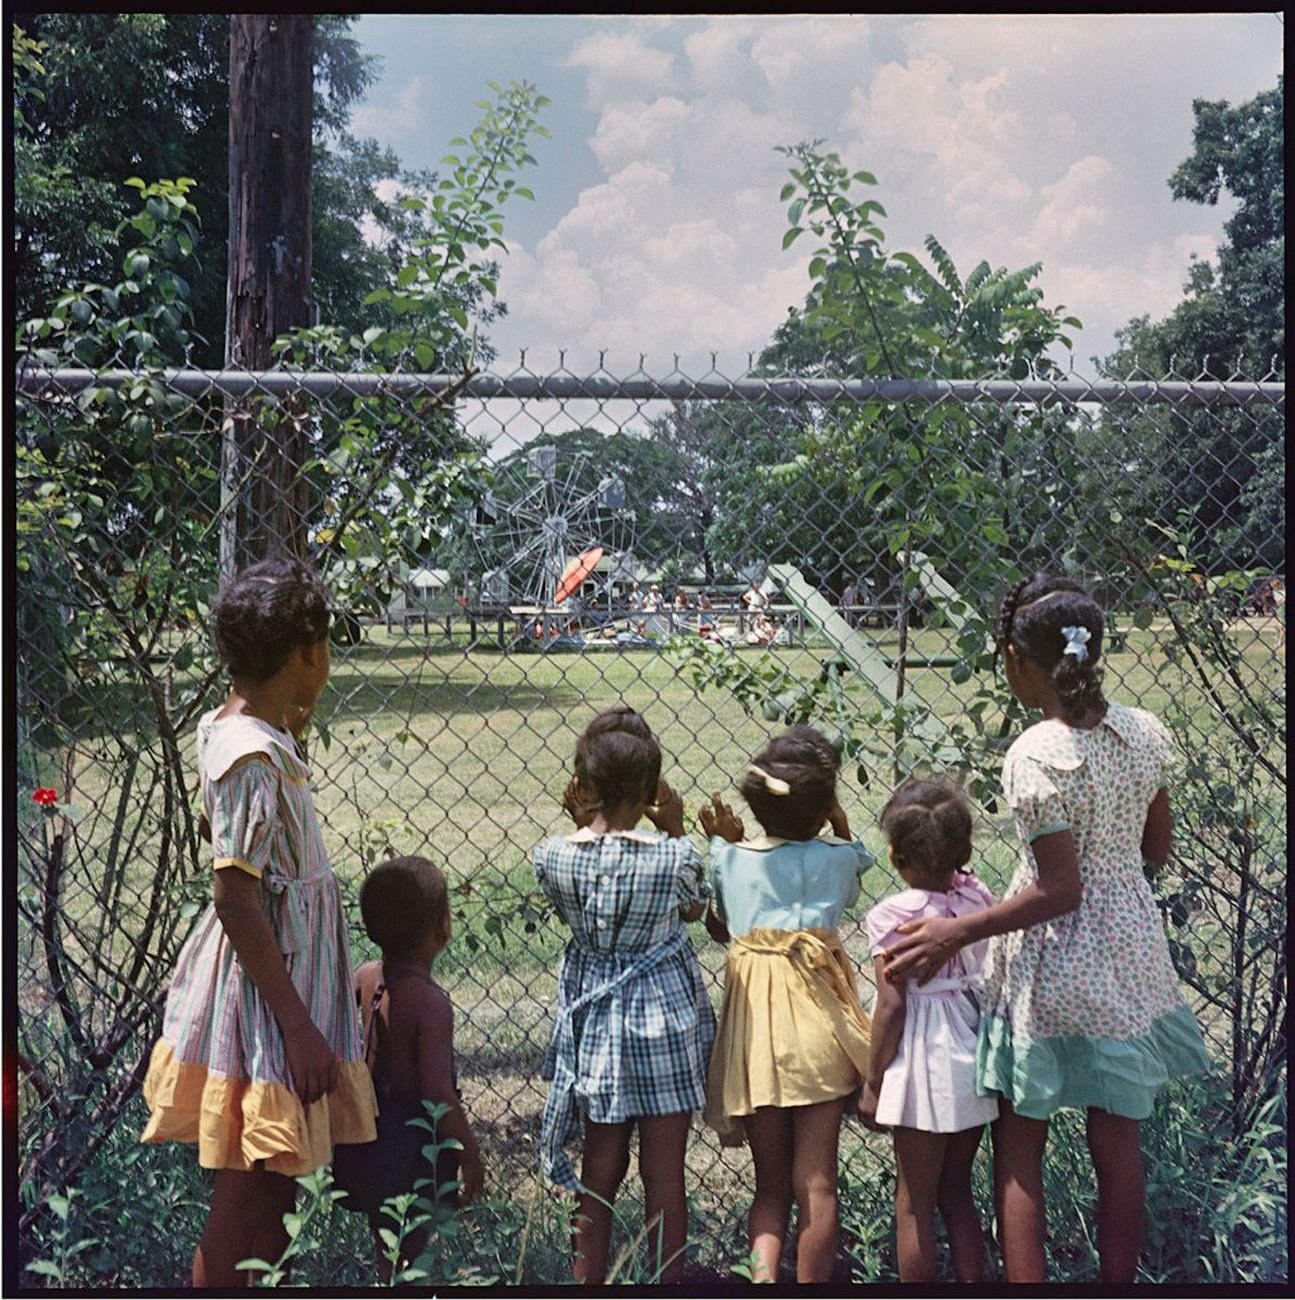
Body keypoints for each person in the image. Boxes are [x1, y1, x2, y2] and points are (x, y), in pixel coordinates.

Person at [883, 574, 1210, 1284]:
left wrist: (955, 935)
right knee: (1117, 1140)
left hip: (1052, 969)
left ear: (1017, 661)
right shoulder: (1143, 732)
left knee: (1020, 1141)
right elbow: (1155, 851)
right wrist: (1114, 872)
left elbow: (1058, 890)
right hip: (1128, 958)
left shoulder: (1033, 753)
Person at [140, 556, 378, 1288]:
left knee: (273, 1189)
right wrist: (300, 1027)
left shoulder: (251, 730)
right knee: (249, 1194)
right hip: (269, 1012)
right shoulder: (253, 758)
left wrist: (291, 715)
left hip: (278, 997)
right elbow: (236, 898)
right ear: (308, 650)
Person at [534, 706, 715, 1284]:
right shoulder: (674, 857)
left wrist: (582, 816)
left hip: (599, 1029)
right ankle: (668, 1279)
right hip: (664, 1022)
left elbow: (577, 892)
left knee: (599, 1169)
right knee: (665, 1177)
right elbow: (693, 908)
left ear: (582, 788)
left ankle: (588, 1280)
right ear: (652, 790)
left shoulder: (553, 857)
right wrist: (676, 827)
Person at [701, 726, 873, 1284]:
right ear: (825, 806)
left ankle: (764, 1279)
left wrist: (723, 840)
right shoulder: (837, 858)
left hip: (757, 1044)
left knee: (769, 1187)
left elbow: (720, 924)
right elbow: (856, 863)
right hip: (820, 1036)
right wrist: (839, 824)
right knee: (817, 1183)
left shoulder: (728, 861)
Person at [860, 777, 998, 1283]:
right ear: (963, 850)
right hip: (971, 1045)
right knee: (958, 1193)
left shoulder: (892, 916)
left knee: (915, 1204)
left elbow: (893, 1006)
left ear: (895, 856)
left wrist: (874, 1080)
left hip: (924, 1059)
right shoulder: (977, 898)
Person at [333, 856, 484, 1282]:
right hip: (412, 1141)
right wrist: (469, 1152)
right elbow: (437, 1090)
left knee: (386, 1241)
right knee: (413, 1249)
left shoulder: (363, 976)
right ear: (443, 928)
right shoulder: (430, 1004)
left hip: (364, 1130)